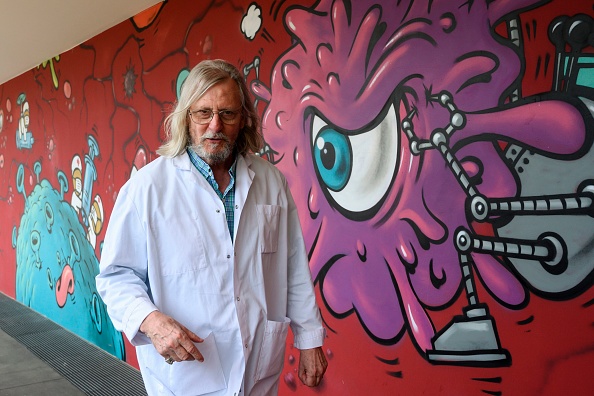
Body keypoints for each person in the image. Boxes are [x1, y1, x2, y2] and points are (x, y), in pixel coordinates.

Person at [96, 59, 327, 395]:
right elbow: (116, 276)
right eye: (203, 113)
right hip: (186, 377)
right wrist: (150, 320)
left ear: (244, 119)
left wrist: (309, 338)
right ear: (186, 118)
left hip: (257, 373)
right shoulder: (146, 188)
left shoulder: (270, 181)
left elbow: (292, 266)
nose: (215, 125)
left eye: (228, 114)